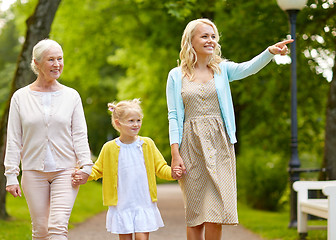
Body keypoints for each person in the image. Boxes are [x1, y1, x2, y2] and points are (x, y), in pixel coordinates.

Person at [166, 18, 293, 240]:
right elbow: (174, 116)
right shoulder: (176, 75)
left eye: (213, 36)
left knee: (216, 212)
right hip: (191, 145)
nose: (210, 40)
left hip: (220, 146)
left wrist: (269, 53)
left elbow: (248, 68)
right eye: (204, 36)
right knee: (195, 213)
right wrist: (175, 153)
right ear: (191, 40)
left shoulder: (223, 70)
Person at [4, 39, 93, 240]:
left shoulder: (72, 96)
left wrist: (87, 166)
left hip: (66, 171)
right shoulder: (20, 97)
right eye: (50, 59)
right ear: (36, 63)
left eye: (60, 59)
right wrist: (11, 175)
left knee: (58, 227)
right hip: (33, 172)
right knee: (41, 230)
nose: (57, 64)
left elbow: (79, 134)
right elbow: (13, 138)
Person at [73, 99, 181, 240]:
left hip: (143, 202)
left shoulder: (147, 144)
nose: (136, 124)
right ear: (118, 123)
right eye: (131, 121)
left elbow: (160, 167)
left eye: (138, 120)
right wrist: (85, 175)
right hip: (122, 204)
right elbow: (98, 170)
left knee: (142, 238)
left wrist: (172, 173)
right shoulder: (109, 148)